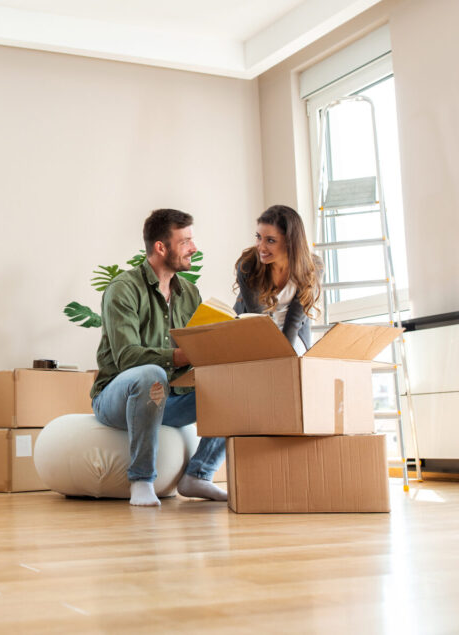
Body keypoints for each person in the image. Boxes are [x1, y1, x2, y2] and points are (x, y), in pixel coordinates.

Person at [90, 209, 227, 507]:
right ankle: (141, 480)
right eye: (186, 241)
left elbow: (198, 351)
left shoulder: (190, 293)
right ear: (161, 247)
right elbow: (127, 358)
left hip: (173, 400)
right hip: (118, 398)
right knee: (150, 374)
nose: (194, 248)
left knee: (235, 386)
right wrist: (178, 356)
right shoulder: (123, 290)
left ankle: (199, 475)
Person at [233, 205, 322, 354]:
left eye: (270, 241)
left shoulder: (313, 267)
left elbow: (294, 321)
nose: (261, 247)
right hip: (255, 330)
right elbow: (260, 321)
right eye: (258, 237)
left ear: (289, 242)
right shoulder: (248, 266)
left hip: (294, 332)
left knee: (294, 362)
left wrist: (284, 354)